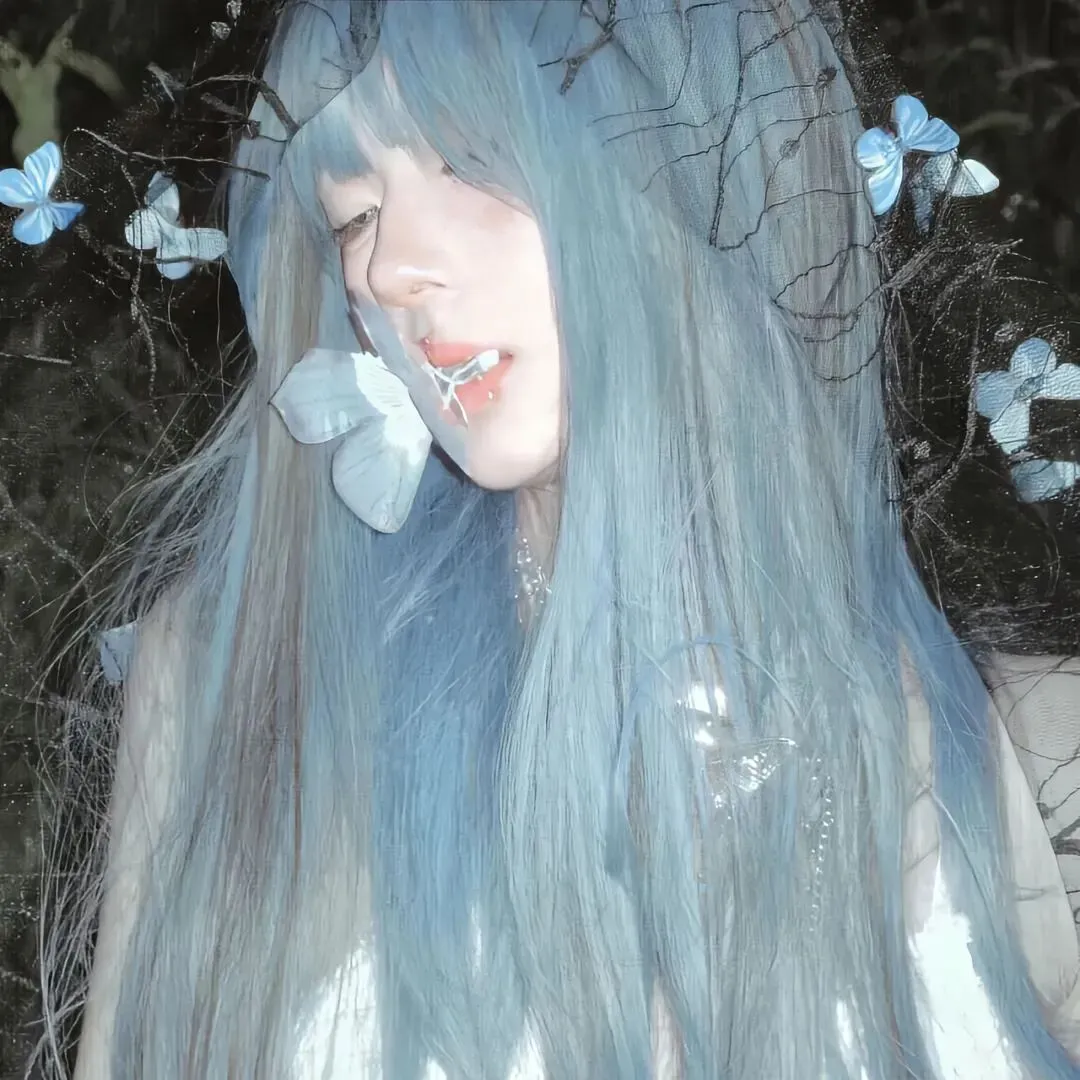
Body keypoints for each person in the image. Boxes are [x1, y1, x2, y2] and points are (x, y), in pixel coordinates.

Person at [27, 1, 1080, 1077]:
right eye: (352, 216)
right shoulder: (239, 682)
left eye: (468, 158)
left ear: (684, 157)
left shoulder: (1037, 754)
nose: (388, 272)